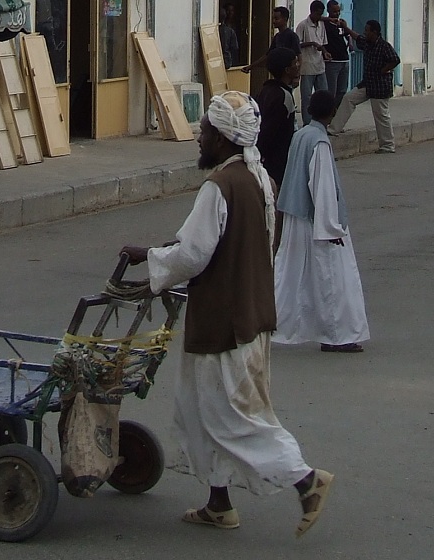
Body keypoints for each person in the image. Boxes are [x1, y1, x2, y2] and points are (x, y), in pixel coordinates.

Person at [121, 91, 334, 538]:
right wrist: (166, 256)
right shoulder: (258, 180)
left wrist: (151, 257)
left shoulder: (218, 187)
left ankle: (305, 479)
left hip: (225, 324)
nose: (199, 139)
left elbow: (194, 253)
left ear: (221, 137)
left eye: (204, 132)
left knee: (234, 418)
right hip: (251, 316)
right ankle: (219, 504)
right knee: (204, 412)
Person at [275, 90, 370, 353]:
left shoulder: (300, 135)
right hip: (315, 221)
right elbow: (322, 187)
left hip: (296, 216)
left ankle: (272, 324)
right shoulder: (319, 142)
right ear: (332, 113)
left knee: (291, 276)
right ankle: (336, 335)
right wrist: (330, 227)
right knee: (332, 279)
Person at [328, 19, 400, 153]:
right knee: (349, 98)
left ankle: (387, 145)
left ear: (375, 32)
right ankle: (333, 129)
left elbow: (395, 60)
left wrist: (383, 70)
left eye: (367, 30)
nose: (365, 33)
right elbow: (357, 37)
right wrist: (346, 28)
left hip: (380, 86)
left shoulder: (384, 46)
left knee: (381, 115)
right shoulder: (367, 43)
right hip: (367, 84)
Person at [256, 47, 300, 189]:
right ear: (287, 70)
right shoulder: (283, 97)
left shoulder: (266, 90)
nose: (298, 66)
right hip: (278, 161)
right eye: (295, 63)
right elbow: (269, 131)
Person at [296, 1, 330, 125]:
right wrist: (311, 43)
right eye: (318, 14)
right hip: (307, 66)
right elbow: (297, 45)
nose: (319, 17)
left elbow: (323, 43)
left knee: (323, 94)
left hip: (320, 66)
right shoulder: (303, 25)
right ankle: (307, 122)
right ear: (312, 12)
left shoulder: (321, 25)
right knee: (307, 97)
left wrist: (325, 52)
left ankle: (322, 121)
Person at [241, 7, 301, 74]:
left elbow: (299, 57)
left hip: (288, 75)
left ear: (285, 19)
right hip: (278, 73)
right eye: (273, 18)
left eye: (276, 19)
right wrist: (251, 66)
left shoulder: (292, 36)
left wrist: (297, 76)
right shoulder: (277, 37)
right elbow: (268, 55)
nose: (273, 21)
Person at [323, 0, 354, 108]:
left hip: (344, 60)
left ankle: (336, 111)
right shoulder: (324, 24)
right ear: (328, 11)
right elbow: (316, 18)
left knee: (342, 90)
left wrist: (350, 44)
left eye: (338, 11)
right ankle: (328, 112)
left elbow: (348, 35)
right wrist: (329, 19)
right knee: (331, 90)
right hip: (332, 61)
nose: (337, 14)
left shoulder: (341, 23)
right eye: (334, 11)